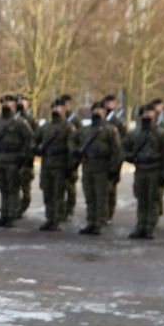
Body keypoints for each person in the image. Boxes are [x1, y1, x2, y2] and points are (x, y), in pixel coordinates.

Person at [68, 101, 121, 235]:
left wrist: (114, 169)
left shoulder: (110, 130)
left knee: (101, 198)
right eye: (95, 110)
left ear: (105, 113)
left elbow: (117, 151)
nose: (97, 112)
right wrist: (75, 151)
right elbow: (72, 139)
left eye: (100, 111)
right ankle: (90, 221)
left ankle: (99, 222)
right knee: (90, 197)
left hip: (102, 168)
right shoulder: (85, 130)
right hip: (88, 167)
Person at [122, 104, 164, 239]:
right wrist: (128, 158)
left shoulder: (161, 133)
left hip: (154, 170)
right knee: (141, 199)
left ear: (154, 116)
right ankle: (141, 225)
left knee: (153, 200)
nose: (147, 116)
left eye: (149, 114)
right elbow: (122, 146)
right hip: (141, 170)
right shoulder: (135, 133)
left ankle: (150, 227)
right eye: (144, 114)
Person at [0, 95, 35, 227]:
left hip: (14, 159)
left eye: (9, 102)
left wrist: (24, 157)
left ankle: (12, 214)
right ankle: (4, 214)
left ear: (14, 105)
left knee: (12, 188)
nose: (6, 104)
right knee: (3, 188)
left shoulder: (19, 122)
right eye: (4, 102)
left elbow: (29, 139)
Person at [34, 98, 76, 231]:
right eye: (54, 108)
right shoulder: (45, 127)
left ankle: (57, 219)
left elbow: (72, 149)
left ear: (64, 111)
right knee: (47, 192)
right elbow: (34, 140)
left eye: (59, 108)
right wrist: (35, 149)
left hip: (60, 165)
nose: (55, 110)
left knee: (58, 193)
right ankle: (49, 217)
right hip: (47, 164)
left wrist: (70, 167)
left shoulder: (68, 127)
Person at [103, 94, 127, 222]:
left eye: (111, 103)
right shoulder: (101, 120)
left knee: (111, 187)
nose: (108, 106)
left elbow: (123, 143)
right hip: (101, 161)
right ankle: (103, 212)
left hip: (114, 159)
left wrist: (118, 160)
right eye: (107, 103)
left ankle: (110, 212)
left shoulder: (119, 122)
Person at [16, 94, 39, 219]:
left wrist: (31, 156)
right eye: (19, 101)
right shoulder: (12, 119)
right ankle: (13, 207)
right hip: (14, 157)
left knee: (25, 185)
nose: (21, 103)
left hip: (26, 159)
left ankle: (23, 207)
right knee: (12, 185)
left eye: (23, 101)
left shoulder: (31, 120)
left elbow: (35, 138)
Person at [61, 94, 83, 222]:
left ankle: (69, 210)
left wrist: (75, 160)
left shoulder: (75, 120)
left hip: (71, 158)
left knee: (70, 185)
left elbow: (80, 140)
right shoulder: (60, 118)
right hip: (60, 158)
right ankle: (61, 209)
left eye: (66, 104)